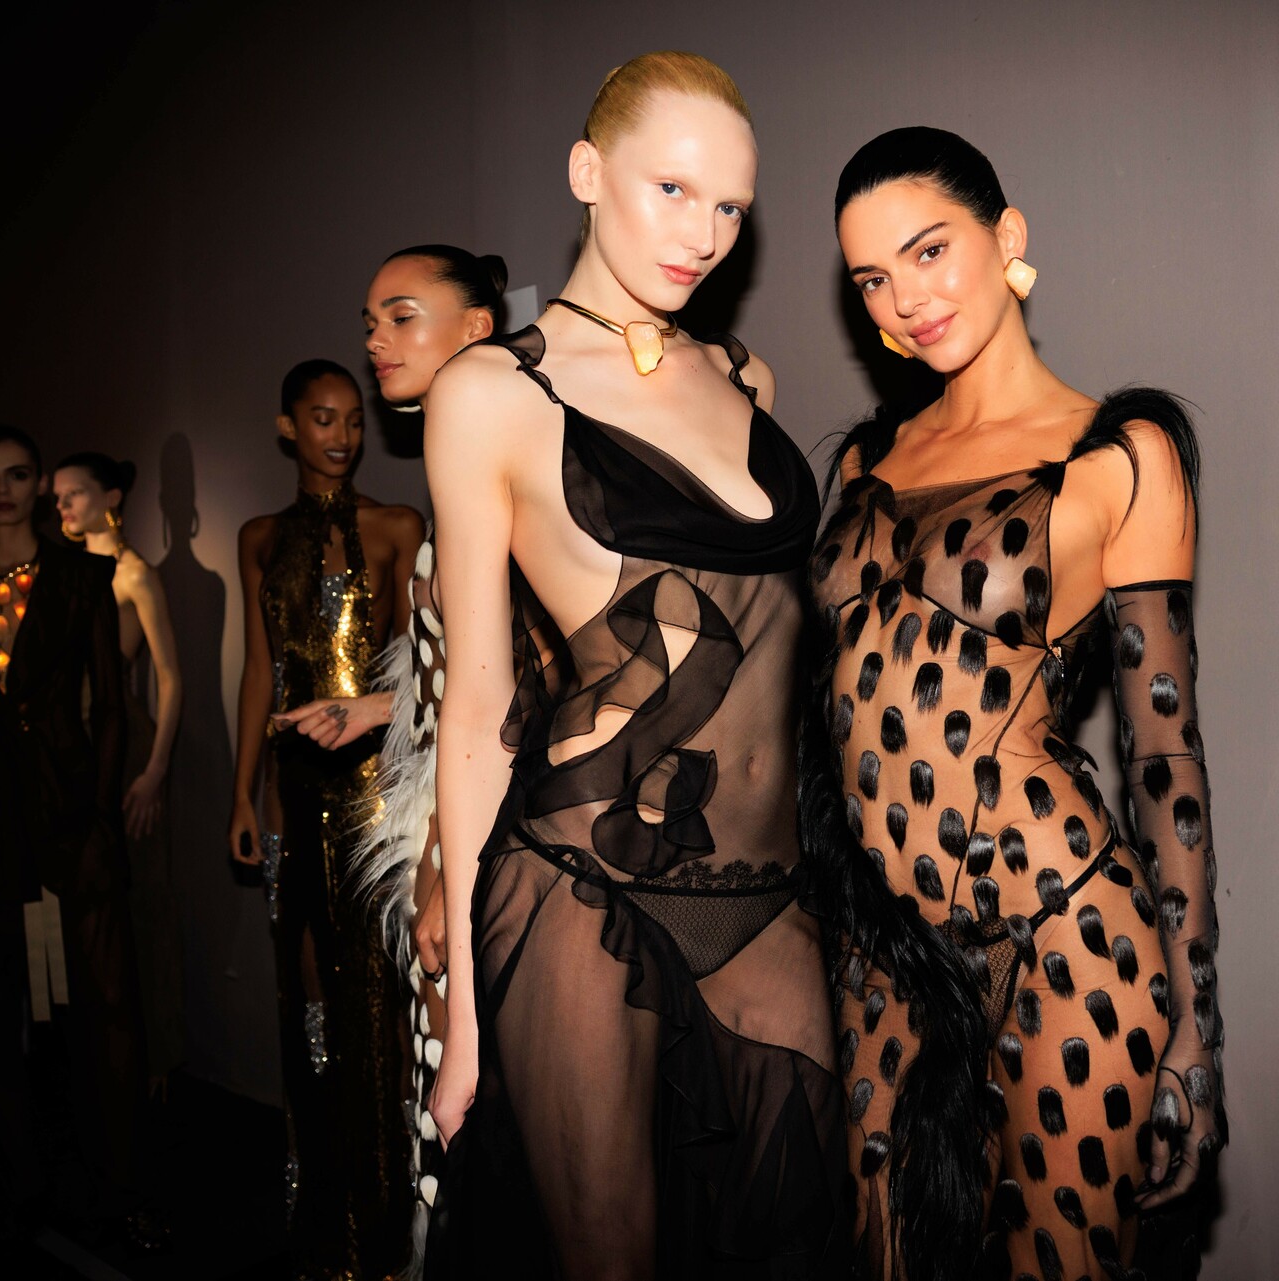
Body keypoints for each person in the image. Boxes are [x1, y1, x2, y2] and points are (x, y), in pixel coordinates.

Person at [420, 51, 847, 1278]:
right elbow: (478, 711)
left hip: (765, 893)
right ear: (587, 172)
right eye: (672, 190)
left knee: (797, 1236)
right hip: (582, 886)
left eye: (731, 208)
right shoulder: (492, 393)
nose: (703, 235)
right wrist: (465, 1023)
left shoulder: (743, 375)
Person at [806, 127, 1227, 1281]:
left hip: (1067, 939)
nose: (906, 301)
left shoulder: (1121, 455)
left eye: (928, 251)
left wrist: (1197, 1030)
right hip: (884, 947)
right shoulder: (862, 464)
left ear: (1008, 238)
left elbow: (1164, 758)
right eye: (872, 280)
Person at [286, 243, 504, 1263]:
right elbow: (458, 671)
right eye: (370, 319)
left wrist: (444, 875)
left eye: (401, 315)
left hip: (486, 846)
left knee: (472, 1122)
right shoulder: (462, 469)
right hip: (448, 828)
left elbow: (518, 702)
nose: (375, 338)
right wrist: (375, 708)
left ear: (477, 330)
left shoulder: (501, 468)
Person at [0, 423, 150, 1239]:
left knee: (103, 1003)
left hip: (67, 808)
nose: (1, 489)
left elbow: (110, 706)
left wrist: (101, 812)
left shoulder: (82, 575)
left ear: (38, 483)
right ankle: (6, 1182)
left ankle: (116, 1185)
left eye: (16, 474)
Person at [226, 361, 425, 1279]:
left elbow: (421, 670)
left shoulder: (397, 526)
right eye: (322, 418)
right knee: (307, 1002)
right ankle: (323, 1219)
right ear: (288, 427)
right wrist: (242, 792)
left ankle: (385, 1228)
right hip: (292, 797)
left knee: (377, 1006)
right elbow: (259, 672)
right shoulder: (259, 537)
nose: (341, 435)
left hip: (375, 798)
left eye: (352, 418)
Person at [54, 451, 185, 1091]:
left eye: (74, 493)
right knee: (81, 901)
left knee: (143, 902)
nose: (63, 506)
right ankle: (96, 1057)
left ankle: (156, 1061)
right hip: (68, 744)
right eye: (57, 497)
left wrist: (155, 771)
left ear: (110, 497)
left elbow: (170, 678)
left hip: (125, 744)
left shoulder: (134, 574)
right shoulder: (60, 574)